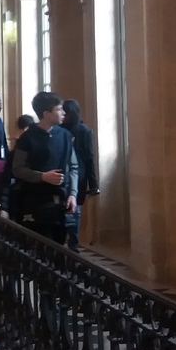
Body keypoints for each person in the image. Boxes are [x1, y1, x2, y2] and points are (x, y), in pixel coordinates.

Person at [11, 92, 78, 245]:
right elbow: (17, 169)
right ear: (46, 114)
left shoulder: (66, 136)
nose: (64, 113)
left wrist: (73, 194)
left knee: (59, 244)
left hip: (61, 200)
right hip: (36, 201)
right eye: (59, 109)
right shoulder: (27, 138)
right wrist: (42, 176)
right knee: (39, 245)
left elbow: (73, 166)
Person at [61, 99, 98, 252]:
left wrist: (93, 183)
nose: (64, 117)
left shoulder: (84, 132)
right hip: (61, 176)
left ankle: (73, 243)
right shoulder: (59, 130)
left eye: (67, 114)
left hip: (79, 177)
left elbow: (89, 158)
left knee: (75, 212)